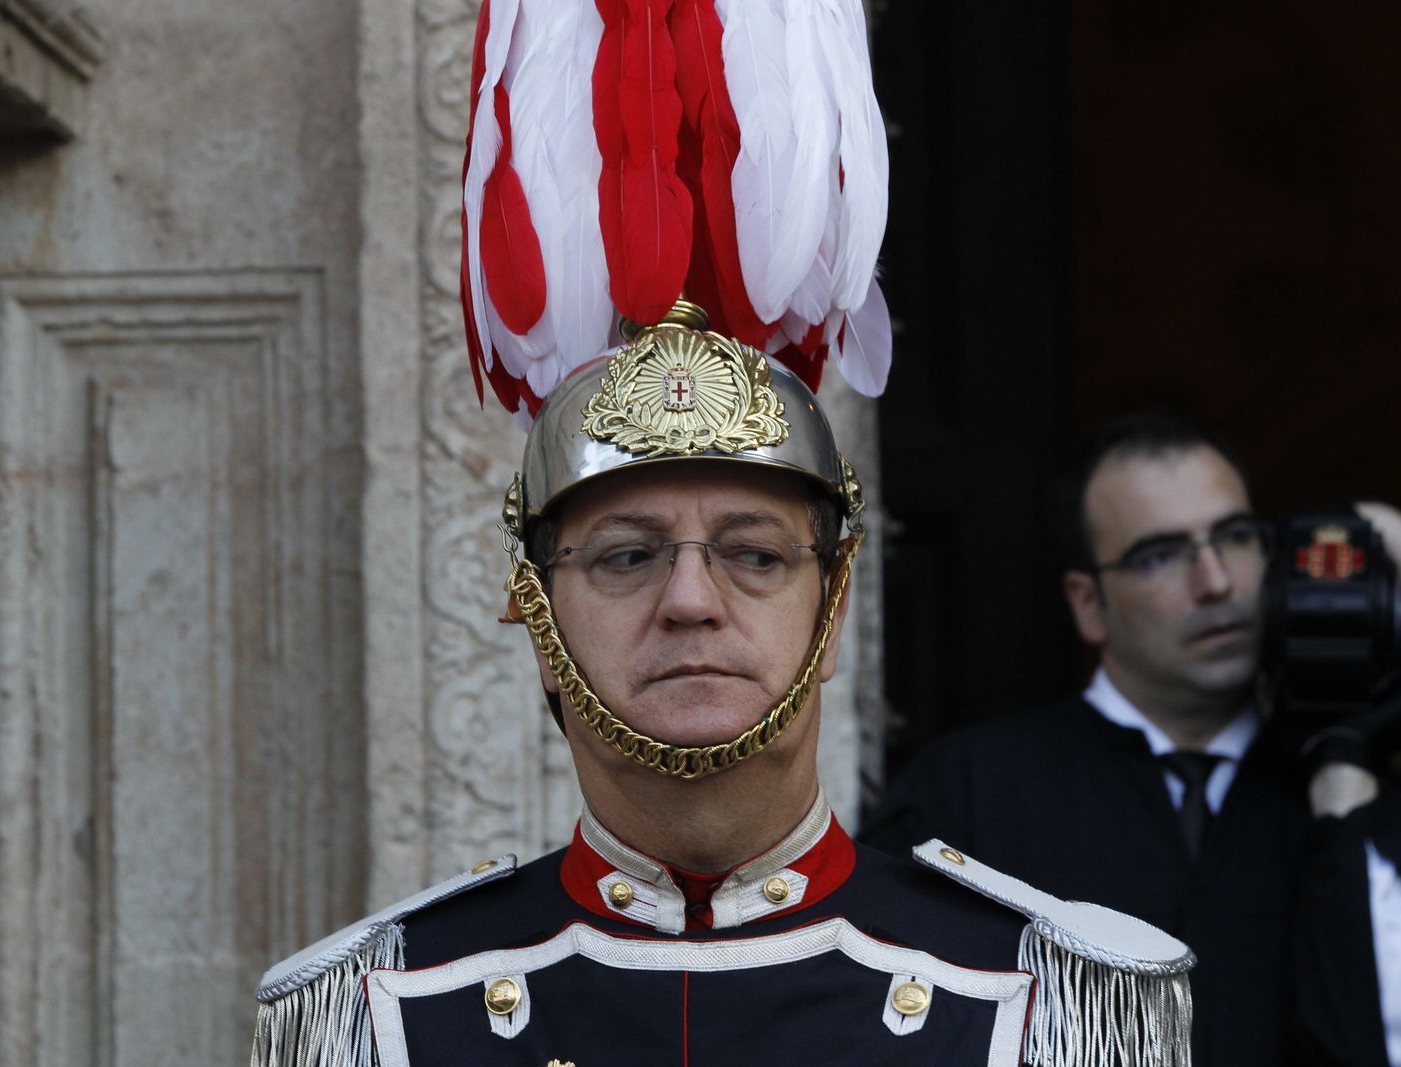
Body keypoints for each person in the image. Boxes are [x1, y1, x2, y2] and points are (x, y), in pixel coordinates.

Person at [247, 4, 1196, 1063]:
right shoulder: (383, 1011)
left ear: (832, 606)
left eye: (753, 552)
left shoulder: (1038, 999)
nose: (691, 599)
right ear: (535, 610)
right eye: (624, 555)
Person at [862, 412, 1401, 1066]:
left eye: (1235, 537)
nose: (1217, 581)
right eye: (1159, 555)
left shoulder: (1357, 788)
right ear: (1088, 603)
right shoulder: (969, 791)